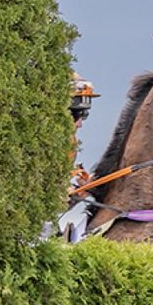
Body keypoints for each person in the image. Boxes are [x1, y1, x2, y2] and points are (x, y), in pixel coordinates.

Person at [58, 71, 101, 241]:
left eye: (84, 115)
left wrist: (77, 194)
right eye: (75, 114)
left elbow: (51, 206)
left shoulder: (70, 144)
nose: (80, 124)